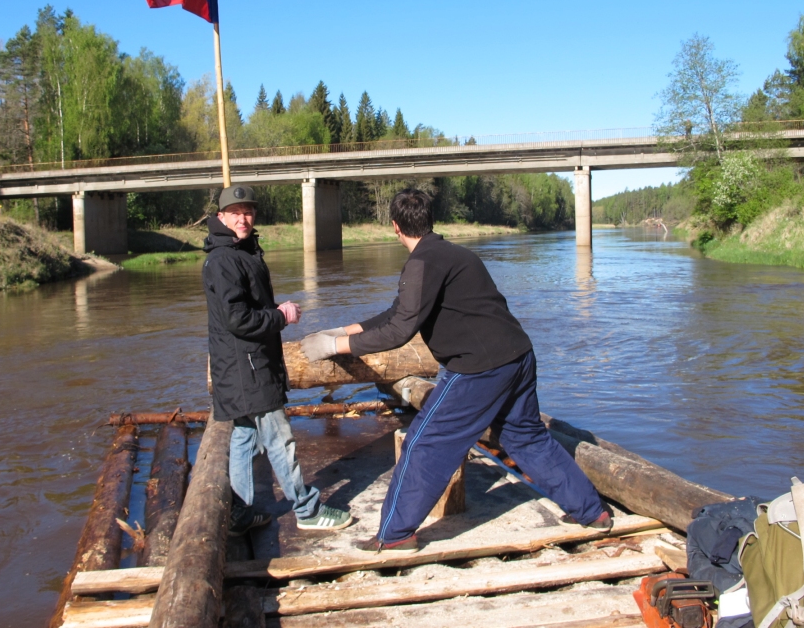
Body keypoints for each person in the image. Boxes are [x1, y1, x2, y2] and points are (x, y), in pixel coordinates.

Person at [301, 188, 609, 551]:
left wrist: (334, 347)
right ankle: (592, 512)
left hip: (479, 368)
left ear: (395, 226)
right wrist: (345, 330)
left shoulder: (421, 263)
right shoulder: (454, 254)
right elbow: (398, 311)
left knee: (424, 443)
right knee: (525, 437)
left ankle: (395, 535)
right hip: (518, 355)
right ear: (429, 221)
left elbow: (400, 330)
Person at [203, 184, 352, 534]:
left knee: (243, 436)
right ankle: (307, 510)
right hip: (247, 369)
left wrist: (273, 313)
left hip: (241, 366)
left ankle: (239, 515)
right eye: (235, 212)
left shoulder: (240, 251)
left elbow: (243, 311)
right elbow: (237, 320)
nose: (243, 217)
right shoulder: (225, 260)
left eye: (248, 211)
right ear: (221, 217)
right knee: (278, 437)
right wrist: (281, 316)